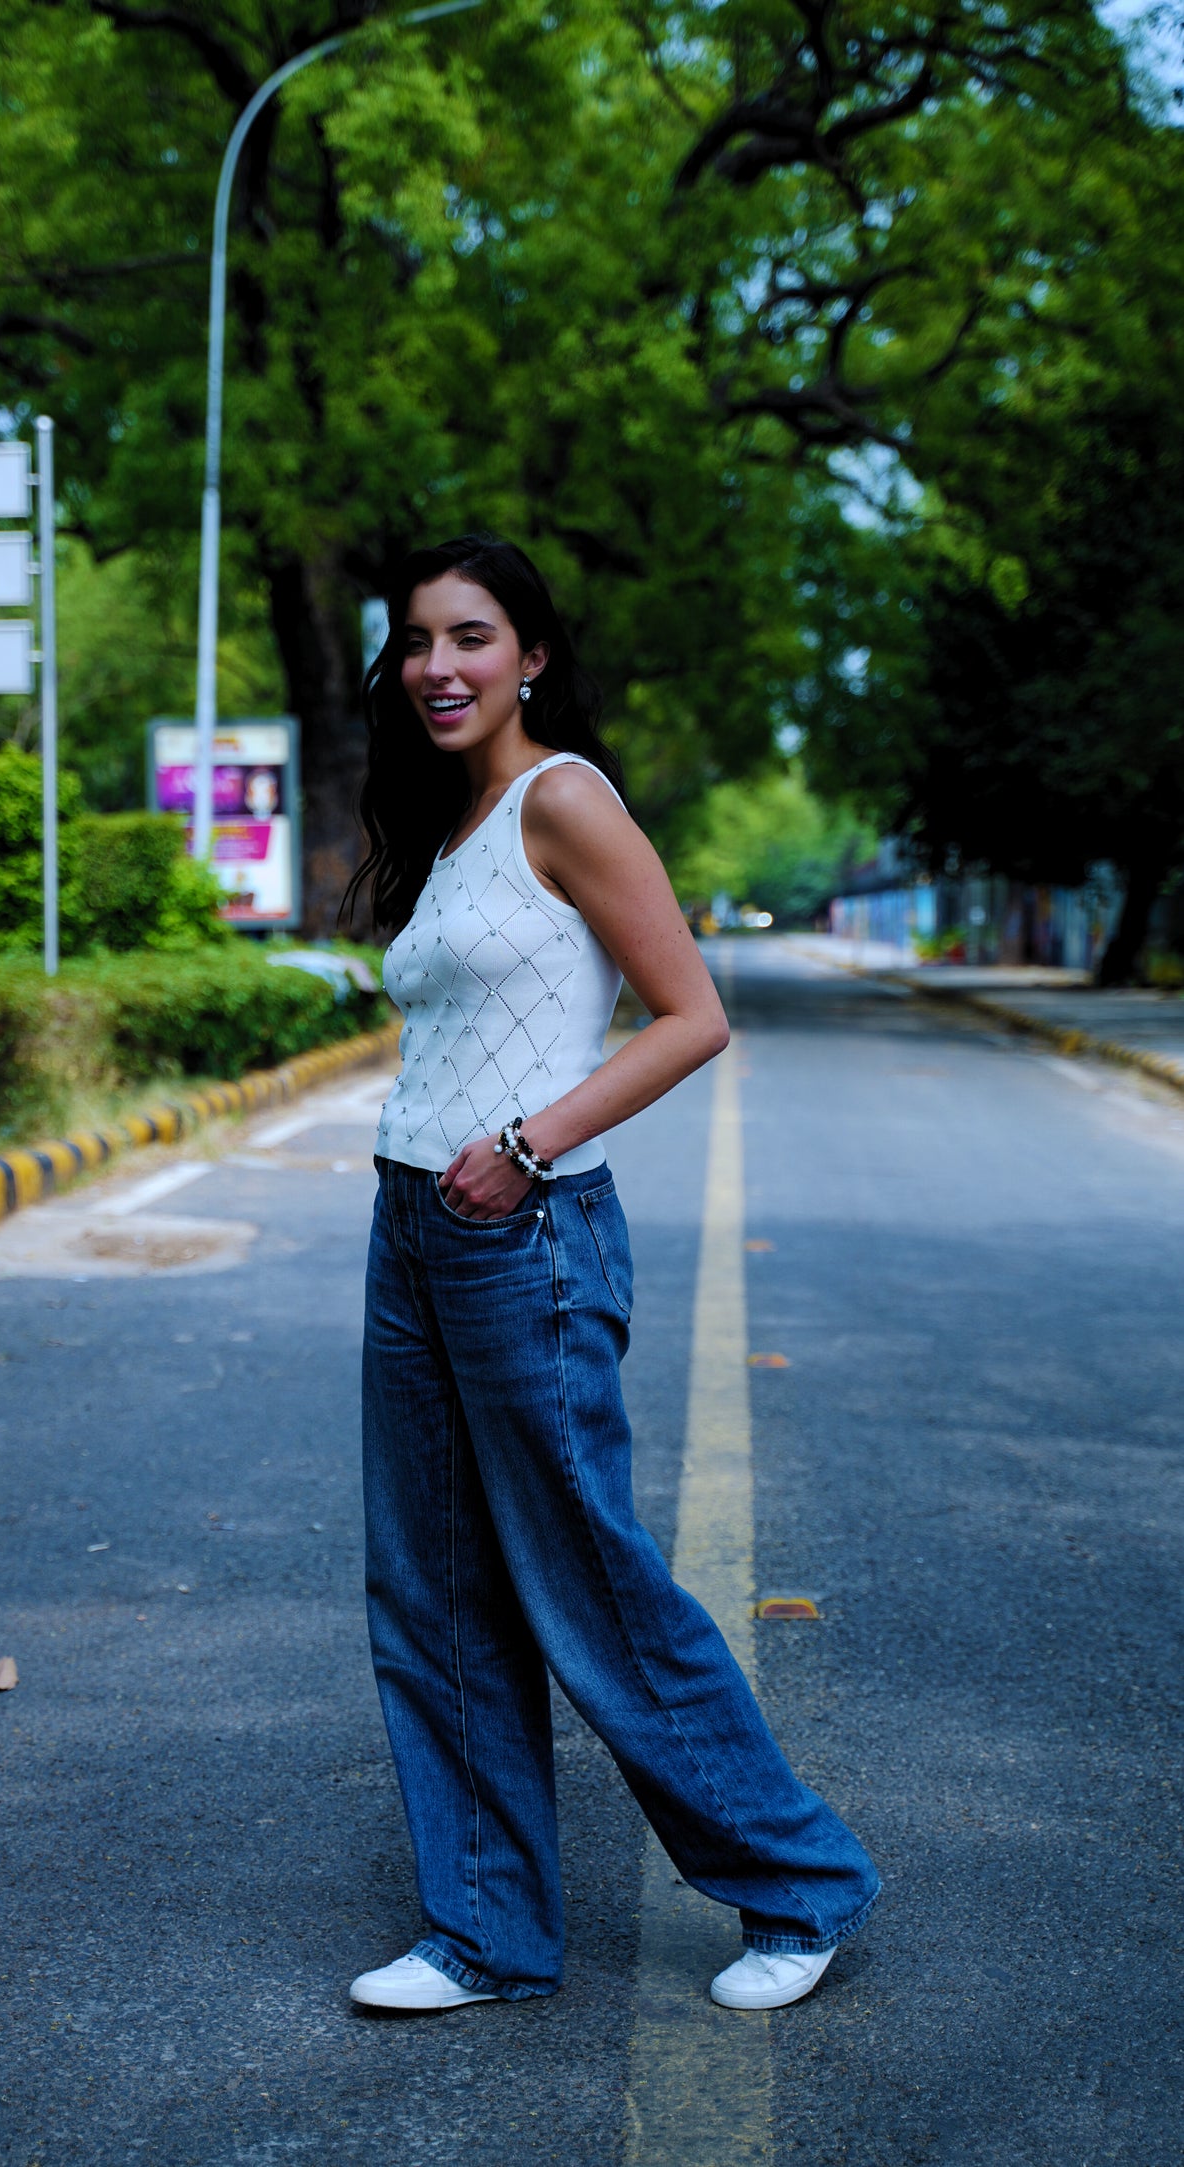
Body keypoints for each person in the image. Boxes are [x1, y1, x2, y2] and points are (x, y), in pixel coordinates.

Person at [342, 535, 879, 2017]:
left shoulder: (560, 799)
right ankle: (486, 1932)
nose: (435, 667)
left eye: (468, 637)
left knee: (585, 1583)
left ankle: (800, 1884)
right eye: (413, 644)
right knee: (434, 1590)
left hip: (522, 1229)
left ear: (531, 658)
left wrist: (523, 1141)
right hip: (415, 1227)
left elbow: (688, 1014)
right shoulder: (456, 824)